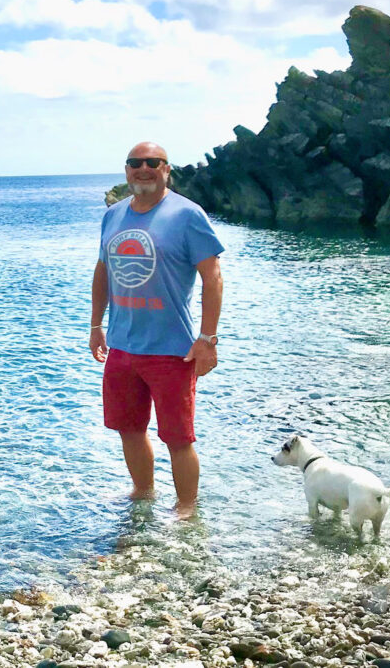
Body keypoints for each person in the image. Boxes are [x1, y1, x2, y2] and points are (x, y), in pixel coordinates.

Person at [89, 141, 224, 518]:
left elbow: (212, 277)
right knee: (128, 428)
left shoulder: (187, 214)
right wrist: (96, 325)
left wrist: (207, 339)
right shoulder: (113, 216)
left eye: (153, 162)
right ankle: (143, 493)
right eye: (135, 163)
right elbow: (103, 271)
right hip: (121, 345)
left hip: (172, 349)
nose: (143, 169)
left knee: (178, 437)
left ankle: (186, 509)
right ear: (126, 169)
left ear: (167, 170)